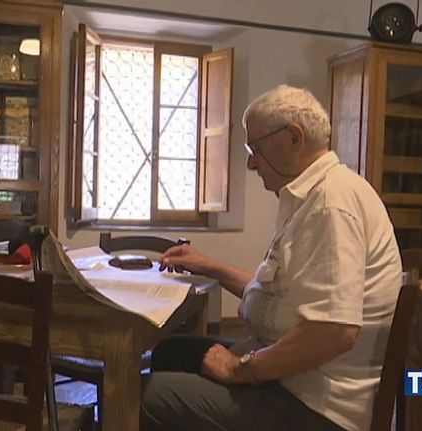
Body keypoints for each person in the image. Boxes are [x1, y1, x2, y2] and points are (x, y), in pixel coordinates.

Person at [142, 85, 402, 431]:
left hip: (315, 406)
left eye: (255, 148)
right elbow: (280, 296)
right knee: (171, 352)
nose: (251, 162)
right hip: (291, 378)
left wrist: (238, 369)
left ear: (294, 138)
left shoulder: (331, 204)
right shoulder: (311, 195)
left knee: (142, 395)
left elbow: (334, 332)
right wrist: (209, 266)